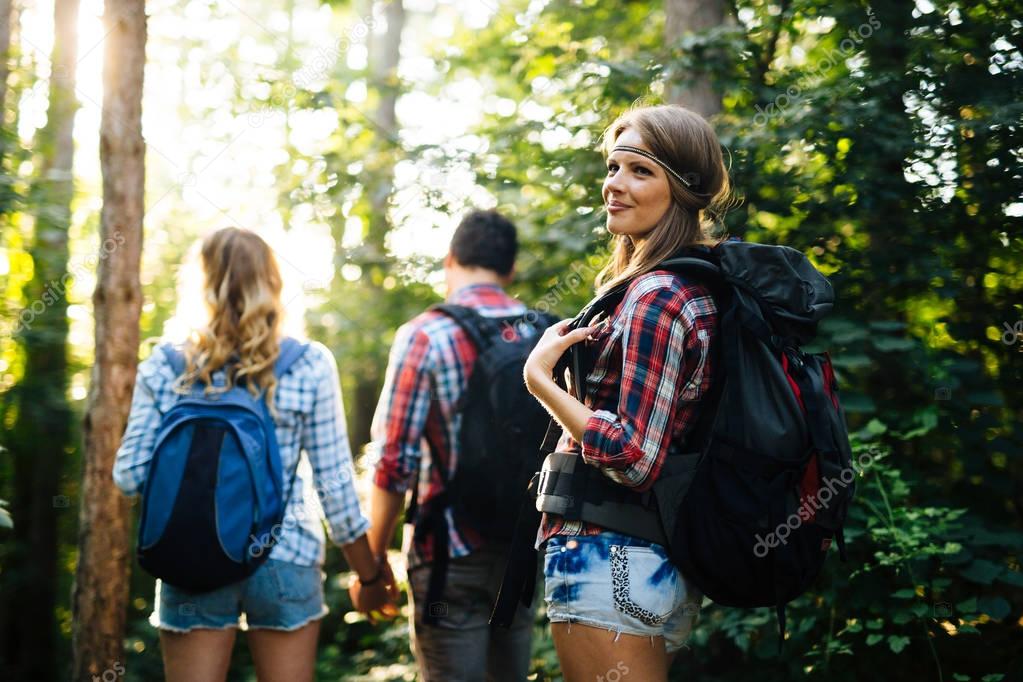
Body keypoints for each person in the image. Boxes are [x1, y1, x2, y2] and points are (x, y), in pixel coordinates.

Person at [113, 227, 396, 682]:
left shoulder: (164, 365)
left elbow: (128, 475)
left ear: (198, 284)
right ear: (274, 283)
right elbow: (335, 489)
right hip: (285, 555)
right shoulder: (308, 363)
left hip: (190, 556)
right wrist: (369, 575)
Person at [522, 104, 732, 682]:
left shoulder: (657, 295)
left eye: (640, 170)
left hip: (607, 557)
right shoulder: (687, 285)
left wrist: (539, 380)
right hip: (641, 560)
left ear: (683, 189)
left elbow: (632, 455)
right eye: (614, 167)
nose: (615, 183)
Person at [366, 209, 543, 682]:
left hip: (449, 552)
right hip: (523, 550)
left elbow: (392, 462)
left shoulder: (425, 334)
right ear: (510, 271)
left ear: (450, 261)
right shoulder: (545, 333)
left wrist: (373, 560)